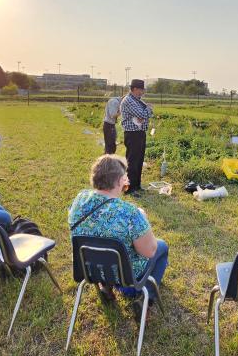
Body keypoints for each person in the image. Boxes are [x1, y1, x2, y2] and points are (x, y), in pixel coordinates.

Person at [68, 154, 168, 310]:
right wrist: (143, 218)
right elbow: (149, 251)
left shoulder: (79, 199)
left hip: (90, 269)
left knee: (103, 245)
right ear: (120, 180)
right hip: (125, 275)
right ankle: (145, 299)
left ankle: (105, 287)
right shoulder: (130, 213)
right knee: (161, 246)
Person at [120, 79, 153, 195]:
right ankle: (129, 188)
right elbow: (143, 114)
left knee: (139, 160)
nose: (142, 92)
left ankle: (137, 185)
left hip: (140, 133)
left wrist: (145, 113)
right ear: (134, 89)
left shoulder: (138, 101)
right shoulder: (129, 100)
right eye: (141, 90)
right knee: (132, 161)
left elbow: (147, 115)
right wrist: (148, 109)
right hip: (132, 134)